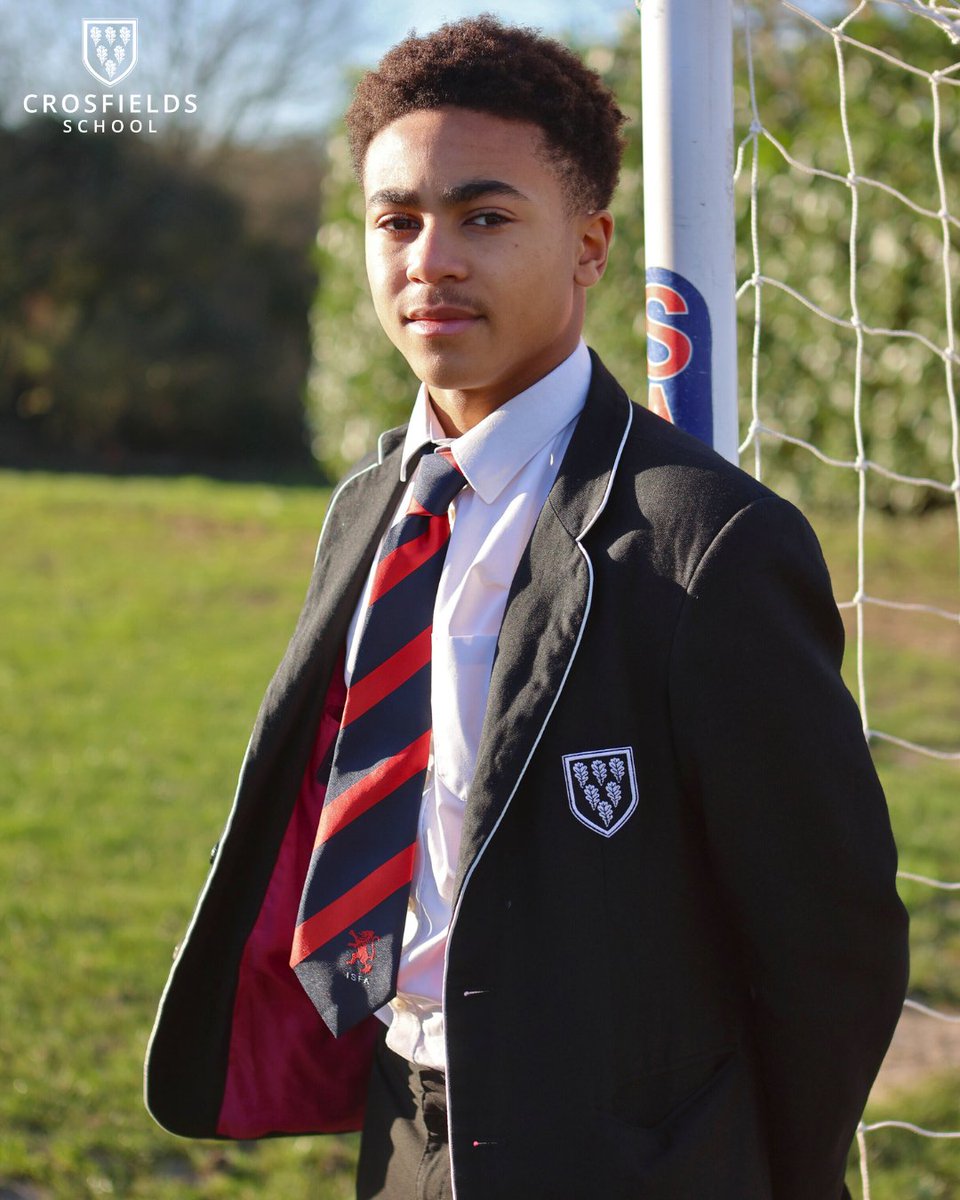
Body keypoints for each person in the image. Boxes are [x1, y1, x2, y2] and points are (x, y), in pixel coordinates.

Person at [145, 17, 909, 1200]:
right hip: (400, 1121)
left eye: (485, 217)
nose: (429, 260)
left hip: (623, 1151)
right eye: (396, 219)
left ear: (590, 245)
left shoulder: (711, 546)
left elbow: (831, 942)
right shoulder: (368, 510)